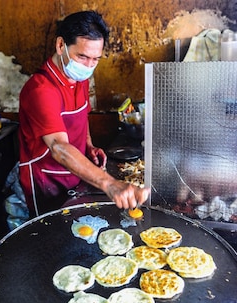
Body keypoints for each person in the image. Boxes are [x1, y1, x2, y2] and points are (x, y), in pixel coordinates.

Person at [18, 10, 149, 217]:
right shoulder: (41, 90)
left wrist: (88, 145)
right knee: (53, 238)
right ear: (61, 45)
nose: (88, 66)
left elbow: (81, 115)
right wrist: (110, 184)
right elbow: (59, 147)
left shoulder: (80, 79)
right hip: (48, 181)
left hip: (77, 173)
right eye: (82, 56)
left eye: (95, 59)